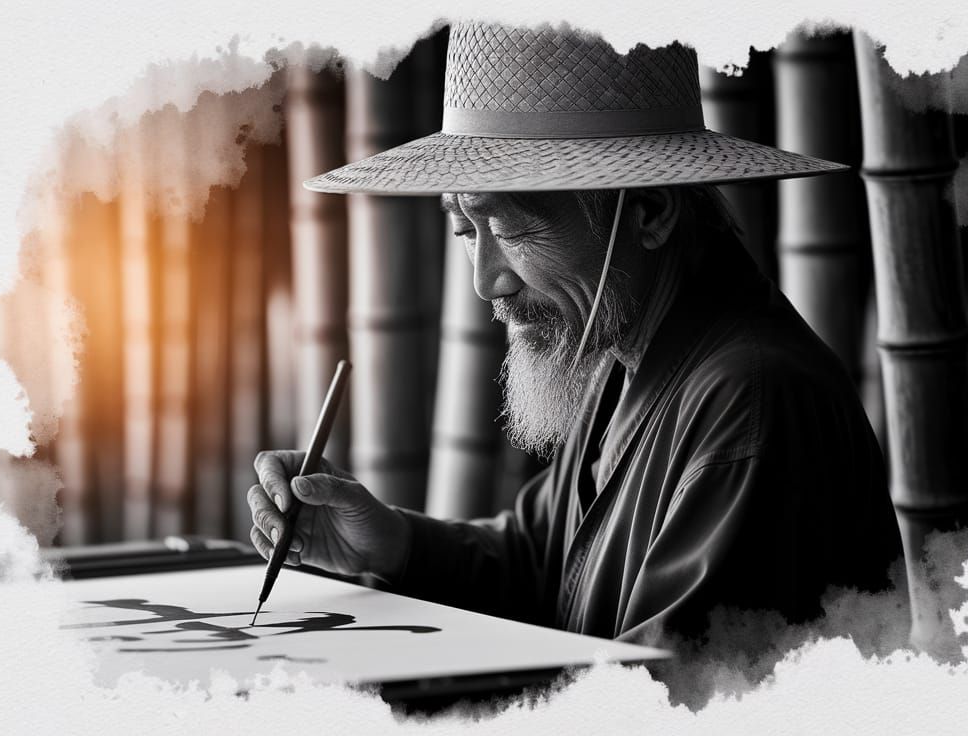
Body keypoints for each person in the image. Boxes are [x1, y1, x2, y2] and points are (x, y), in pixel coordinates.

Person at [245, 21, 902, 651]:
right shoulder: (624, 350)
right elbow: (542, 564)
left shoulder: (753, 403)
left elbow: (655, 701)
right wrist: (392, 543)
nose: (486, 283)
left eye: (510, 229)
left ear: (648, 212)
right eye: (465, 231)